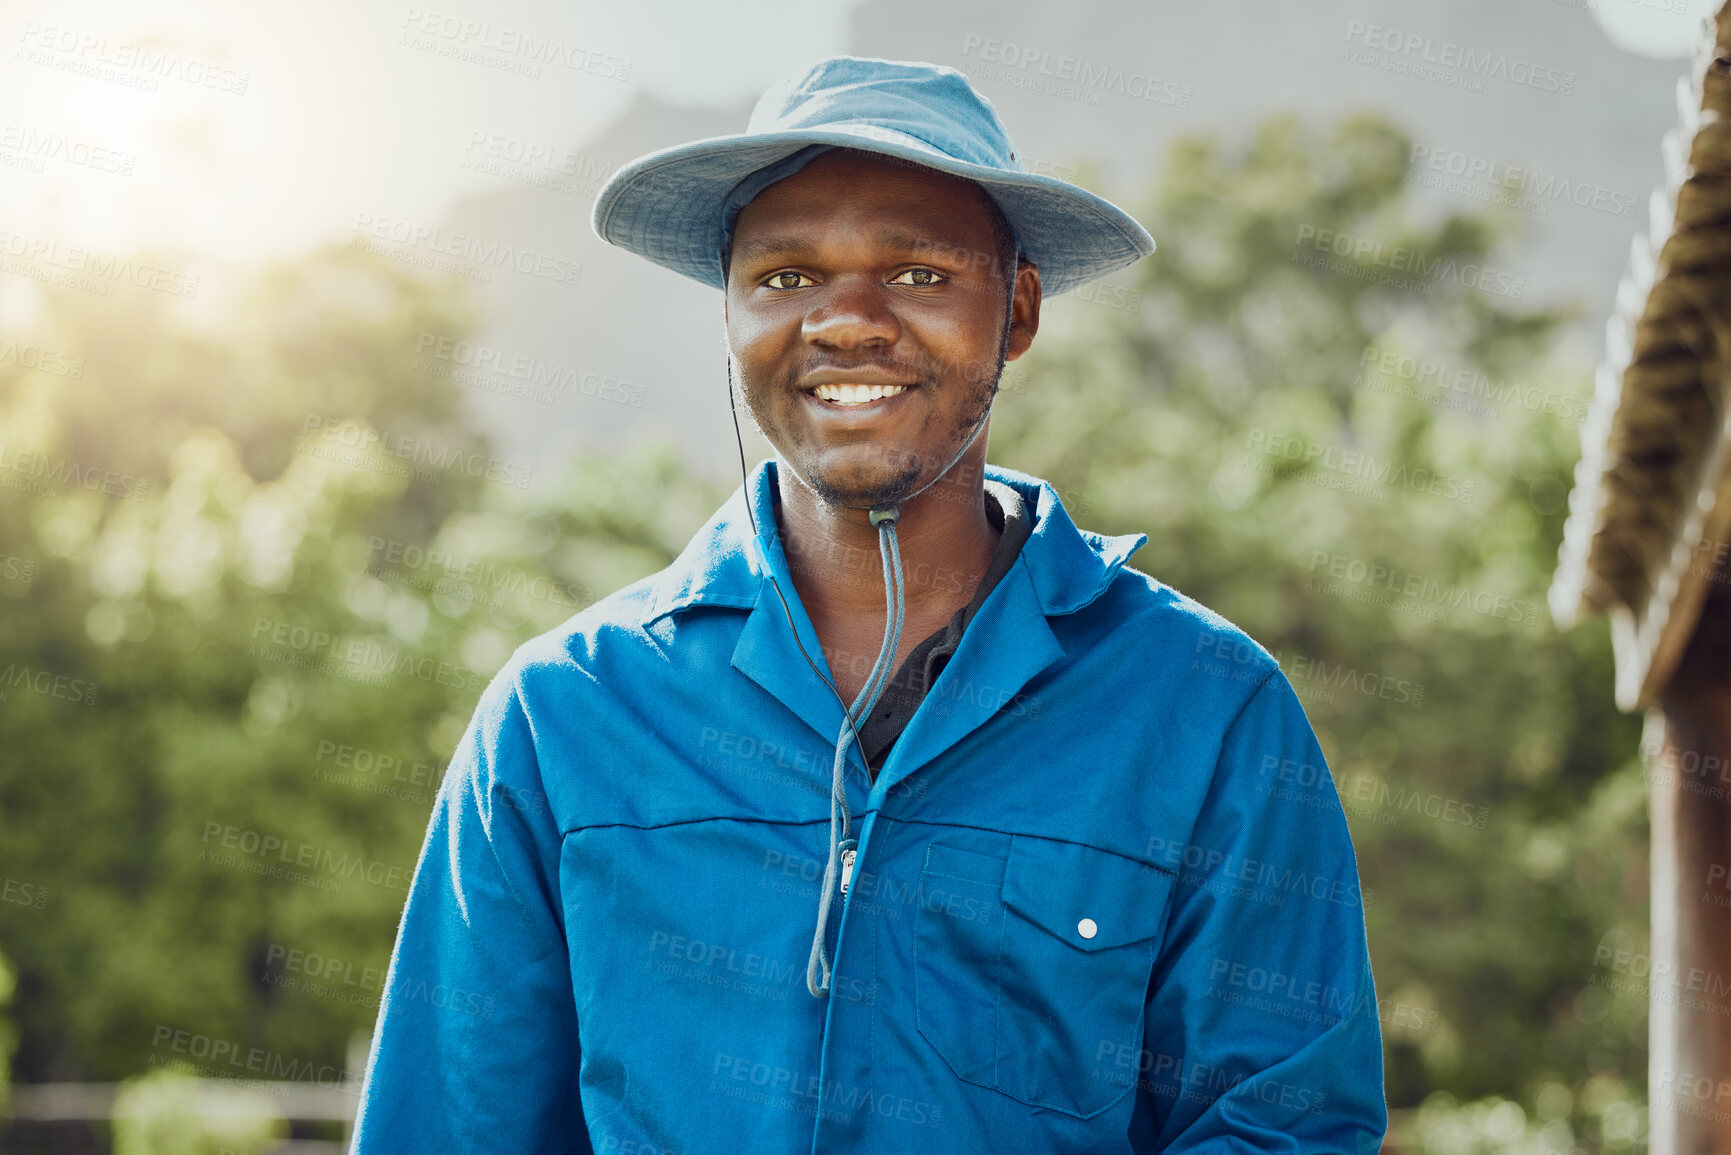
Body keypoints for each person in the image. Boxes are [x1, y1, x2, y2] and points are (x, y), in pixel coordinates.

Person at [352, 54, 1388, 1153]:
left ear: (1018, 311)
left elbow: (1282, 1129)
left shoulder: (1206, 709)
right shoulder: (564, 716)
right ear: (730, 315)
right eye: (786, 278)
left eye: (920, 274)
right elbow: (447, 1126)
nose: (846, 322)